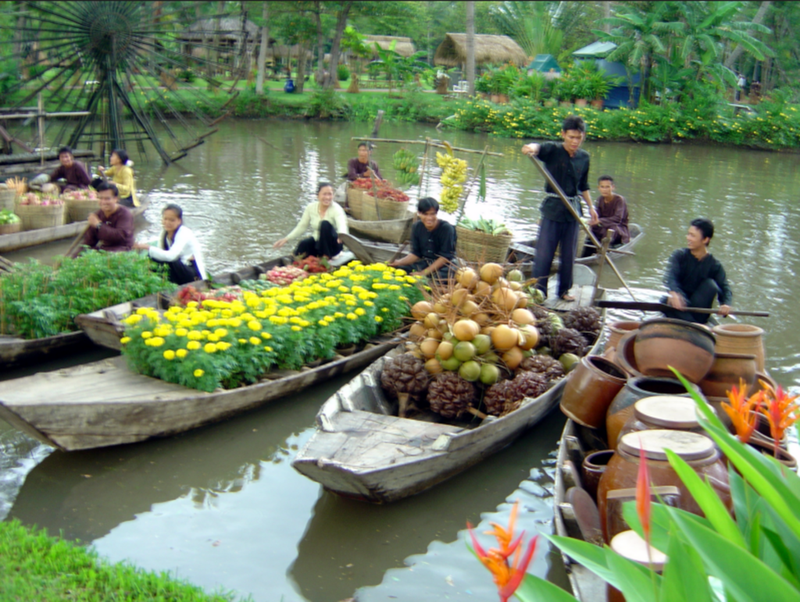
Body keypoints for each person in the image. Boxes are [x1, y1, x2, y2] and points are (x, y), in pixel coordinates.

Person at [521, 115, 599, 301]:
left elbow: (584, 185)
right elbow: (538, 147)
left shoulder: (584, 157)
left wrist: (591, 207)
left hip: (572, 211)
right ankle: (540, 291)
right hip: (553, 210)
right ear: (563, 134)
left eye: (578, 138)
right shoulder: (553, 150)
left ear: (583, 137)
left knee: (569, 254)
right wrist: (530, 148)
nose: (574, 141)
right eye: (571, 137)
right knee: (544, 254)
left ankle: (564, 290)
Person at [662, 218, 732, 324]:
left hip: (698, 310)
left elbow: (725, 287)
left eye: (692, 235)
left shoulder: (714, 265)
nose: (688, 238)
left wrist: (725, 304)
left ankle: (691, 322)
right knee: (665, 300)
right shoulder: (679, 256)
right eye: (688, 234)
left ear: (705, 240)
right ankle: (692, 323)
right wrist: (674, 293)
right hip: (680, 306)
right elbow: (670, 277)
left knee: (711, 284)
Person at [133, 204, 206, 285]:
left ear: (179, 221)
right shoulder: (164, 233)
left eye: (172, 220)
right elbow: (160, 253)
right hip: (179, 269)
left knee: (171, 260)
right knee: (153, 257)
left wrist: (147, 247)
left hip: (192, 274)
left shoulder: (184, 232)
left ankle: (169, 283)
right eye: (165, 219)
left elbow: (170, 256)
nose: (167, 222)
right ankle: (154, 281)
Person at [273, 182, 348, 258]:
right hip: (318, 243)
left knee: (324, 224)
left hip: (333, 246)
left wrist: (342, 235)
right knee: (304, 243)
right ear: (317, 196)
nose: (327, 197)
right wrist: (286, 239)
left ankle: (326, 257)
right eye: (324, 194)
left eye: (330, 194)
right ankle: (294, 263)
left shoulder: (336, 209)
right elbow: (302, 226)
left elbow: (342, 225)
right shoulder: (311, 207)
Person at [389, 197, 456, 281]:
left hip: (444, 265)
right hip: (425, 263)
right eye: (425, 214)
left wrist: (423, 273)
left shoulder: (446, 228)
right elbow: (415, 254)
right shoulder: (417, 227)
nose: (429, 218)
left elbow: (445, 257)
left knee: (434, 279)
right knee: (397, 271)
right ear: (419, 213)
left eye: (432, 214)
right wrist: (399, 262)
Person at [71, 182, 134, 257]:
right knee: (81, 255)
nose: (103, 202)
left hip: (122, 249)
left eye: (107, 199)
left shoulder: (125, 214)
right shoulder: (98, 215)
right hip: (105, 249)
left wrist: (99, 225)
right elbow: (89, 242)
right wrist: (74, 256)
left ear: (116, 199)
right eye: (100, 198)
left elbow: (120, 236)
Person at [582, 175, 630, 256]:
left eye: (607, 187)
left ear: (613, 187)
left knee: (612, 228)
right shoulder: (599, 199)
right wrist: (591, 221)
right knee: (591, 228)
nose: (605, 190)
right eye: (602, 187)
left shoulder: (619, 200)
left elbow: (617, 219)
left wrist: (599, 221)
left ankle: (603, 250)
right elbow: (597, 216)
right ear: (598, 188)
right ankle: (587, 250)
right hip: (604, 227)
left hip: (619, 229)